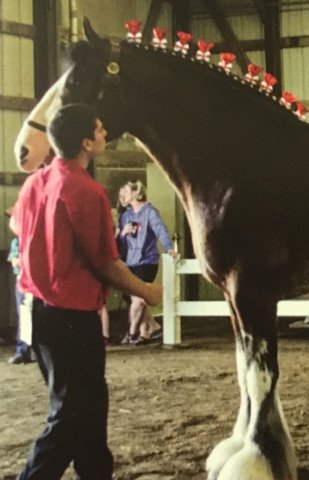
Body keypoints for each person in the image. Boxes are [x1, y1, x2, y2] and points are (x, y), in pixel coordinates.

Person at [11, 103, 162, 480]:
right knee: (72, 416)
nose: (103, 134)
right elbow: (105, 264)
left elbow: (17, 225)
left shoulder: (36, 183)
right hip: (72, 319)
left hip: (38, 312)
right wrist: (147, 291)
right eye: (97, 130)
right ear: (84, 142)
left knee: (89, 408)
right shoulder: (87, 191)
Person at [119, 180, 175, 344]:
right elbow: (120, 242)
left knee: (138, 297)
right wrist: (123, 233)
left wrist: (168, 248)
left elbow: (160, 229)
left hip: (147, 260)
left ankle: (132, 334)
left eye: (127, 191)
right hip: (130, 261)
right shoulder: (125, 216)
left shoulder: (150, 212)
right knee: (135, 298)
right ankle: (151, 328)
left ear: (137, 193)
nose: (123, 195)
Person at [6, 207, 34, 364]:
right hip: (22, 282)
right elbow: (14, 260)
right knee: (24, 316)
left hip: (33, 283)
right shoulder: (16, 241)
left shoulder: (32, 239)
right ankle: (23, 351)